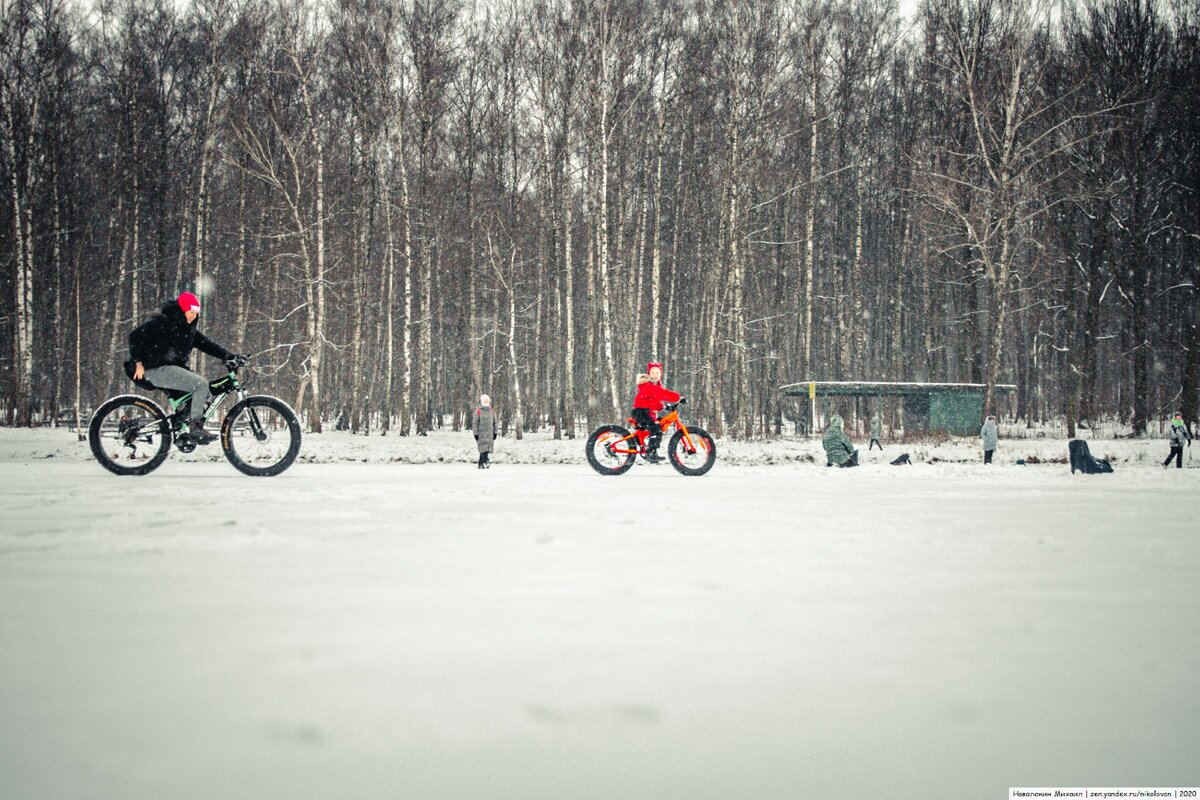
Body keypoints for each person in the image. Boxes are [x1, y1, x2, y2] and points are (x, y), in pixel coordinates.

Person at [127, 291, 239, 444]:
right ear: (182, 310)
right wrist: (138, 362)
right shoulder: (163, 322)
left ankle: (180, 422)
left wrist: (230, 356)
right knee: (201, 384)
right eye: (191, 311)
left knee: (204, 393)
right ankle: (195, 428)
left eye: (196, 313)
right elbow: (135, 336)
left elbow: (208, 345)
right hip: (154, 368)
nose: (193, 315)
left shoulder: (189, 330)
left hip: (170, 368)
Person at [631, 361, 681, 464]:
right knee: (656, 430)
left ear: (661, 374)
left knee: (659, 424)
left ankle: (639, 438)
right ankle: (650, 452)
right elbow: (662, 394)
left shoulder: (652, 386)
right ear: (649, 374)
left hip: (645, 412)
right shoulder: (649, 385)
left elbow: (653, 402)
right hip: (641, 412)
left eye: (657, 373)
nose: (655, 375)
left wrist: (665, 407)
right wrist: (677, 397)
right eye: (653, 373)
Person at [472, 394, 498, 469]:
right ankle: (485, 462)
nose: (486, 402)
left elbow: (495, 423)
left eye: (487, 401)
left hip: (489, 435)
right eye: (484, 401)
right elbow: (475, 424)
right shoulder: (478, 411)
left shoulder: (492, 411)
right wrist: (475, 434)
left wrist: (495, 433)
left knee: (485, 449)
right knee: (483, 449)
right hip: (481, 435)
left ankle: (482, 464)